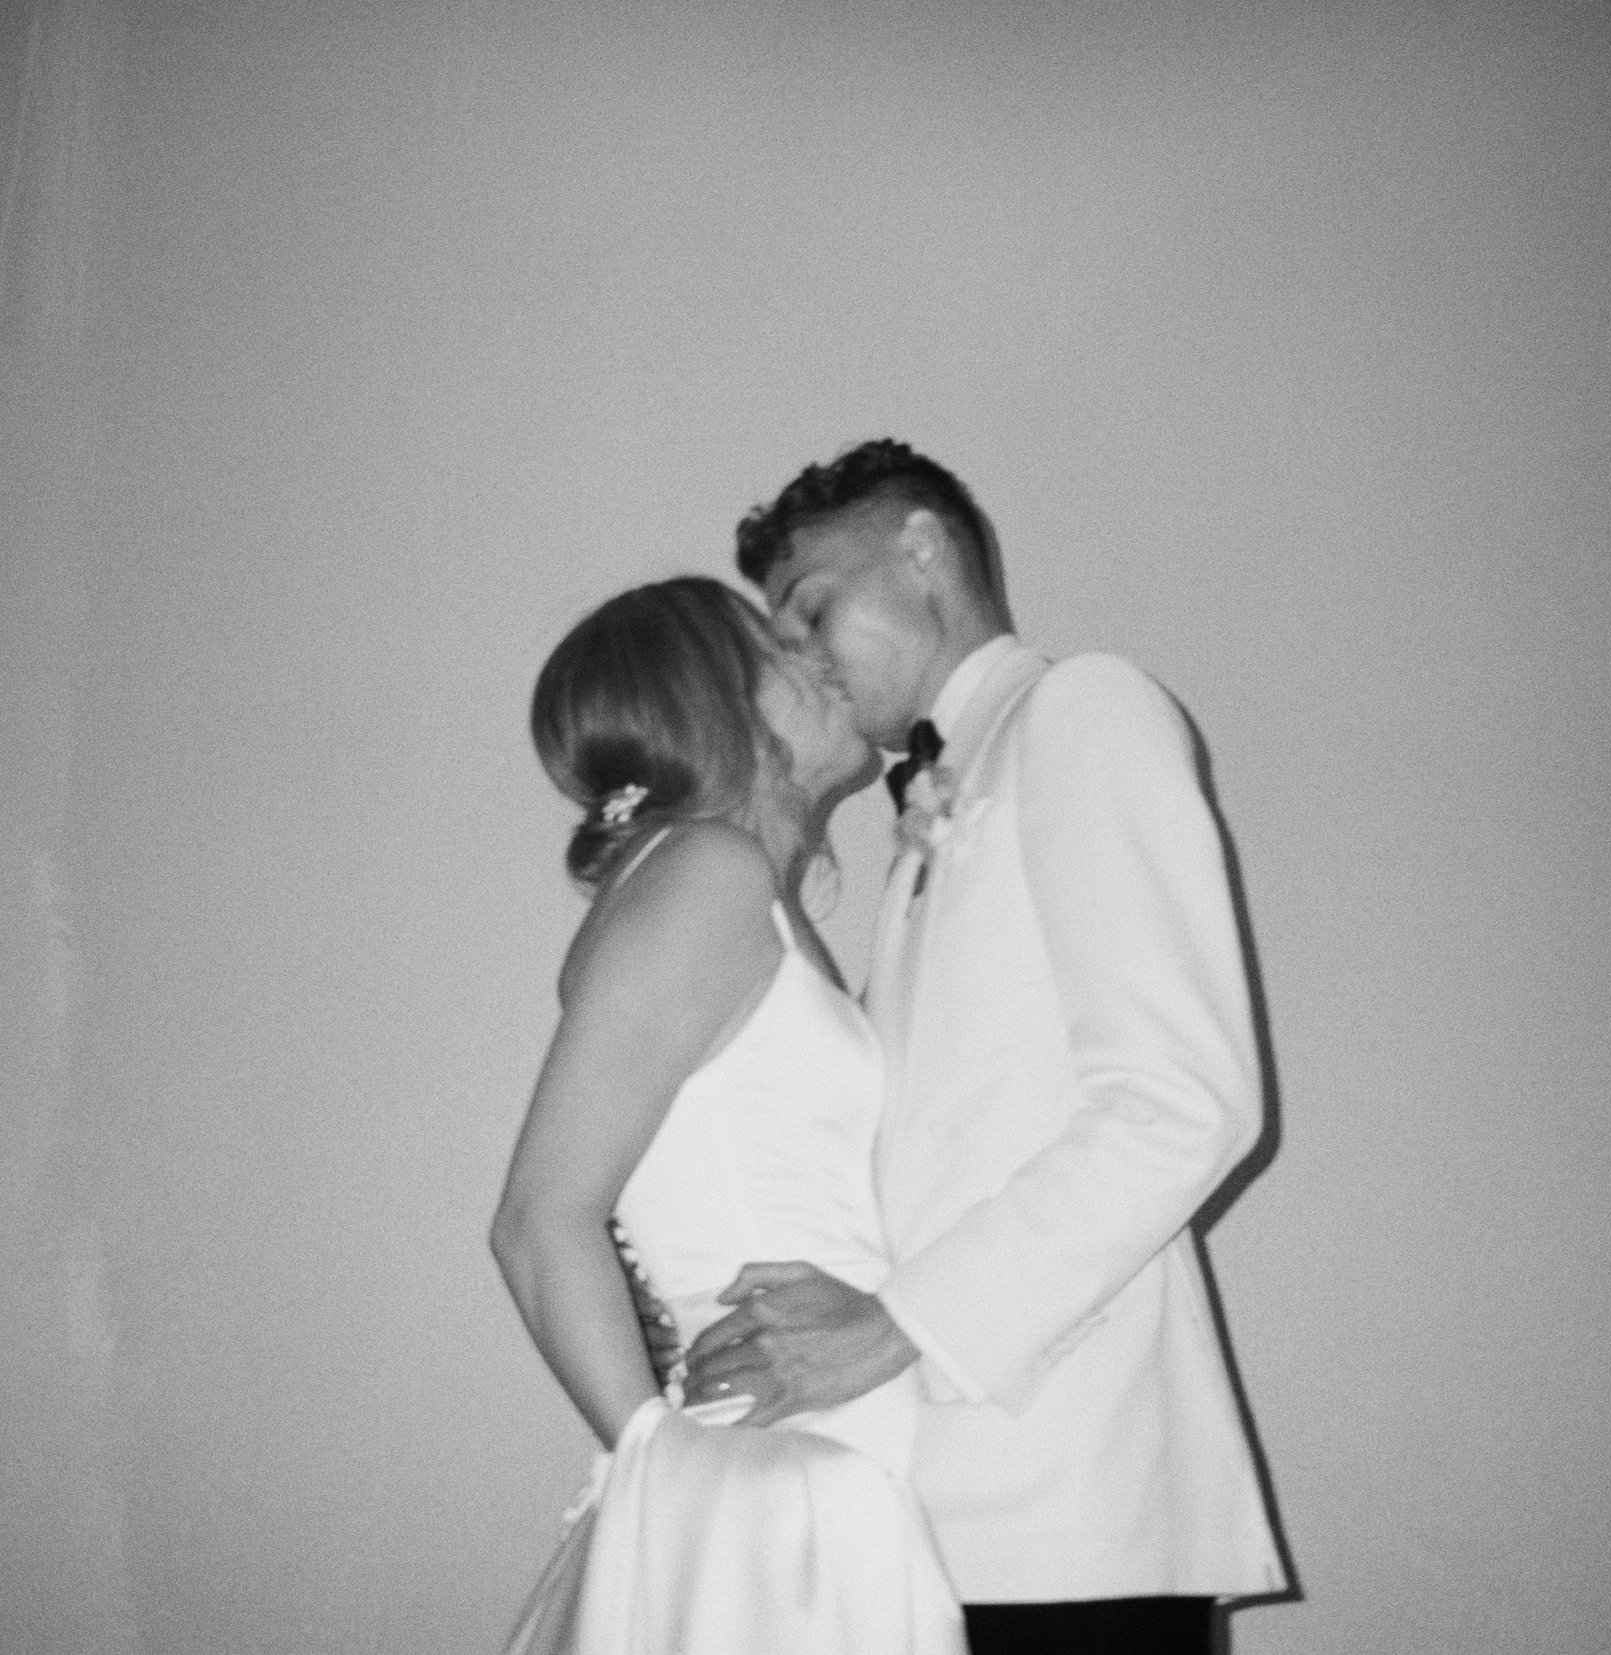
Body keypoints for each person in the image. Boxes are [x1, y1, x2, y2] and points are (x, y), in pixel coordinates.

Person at [684, 440, 1293, 1653]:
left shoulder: (1082, 707)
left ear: (923, 550)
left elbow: (1183, 1102)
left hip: (1076, 1494)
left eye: (813, 609)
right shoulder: (941, 796)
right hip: (955, 1498)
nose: (802, 657)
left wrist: (893, 1323)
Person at [490, 576, 966, 1654]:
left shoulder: (732, 886)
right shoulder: (709, 871)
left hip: (830, 1448)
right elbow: (536, 1217)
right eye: (782, 651)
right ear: (719, 699)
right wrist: (671, 1466)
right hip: (780, 1491)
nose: (822, 665)